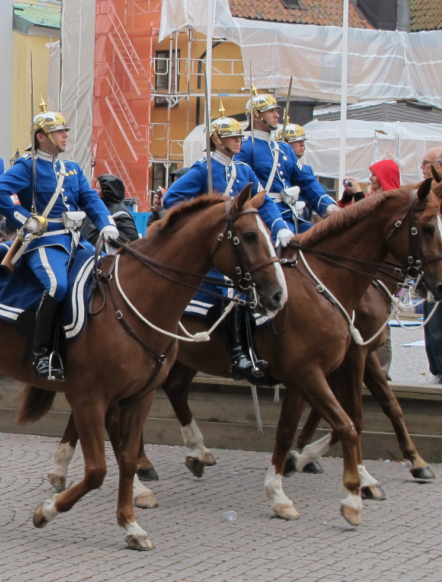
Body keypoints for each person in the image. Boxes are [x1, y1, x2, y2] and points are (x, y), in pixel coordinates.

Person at [0, 101, 117, 381]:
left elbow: (90, 199)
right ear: (41, 136)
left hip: (77, 241)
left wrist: (106, 223)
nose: (65, 135)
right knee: (57, 286)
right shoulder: (27, 166)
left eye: (65, 131)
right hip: (44, 241)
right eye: (58, 132)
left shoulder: (71, 168)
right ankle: (41, 353)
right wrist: (25, 219)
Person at [163, 103, 289, 384]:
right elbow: (172, 200)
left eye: (240, 137)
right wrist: (205, 218)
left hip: (237, 241)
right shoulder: (202, 170)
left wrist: (279, 226)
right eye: (233, 138)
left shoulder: (243, 171)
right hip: (212, 244)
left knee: (251, 284)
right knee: (230, 289)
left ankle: (250, 350)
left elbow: (262, 201)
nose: (238, 141)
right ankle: (236, 353)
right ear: (217, 141)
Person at [236, 90, 338, 233]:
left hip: (291, 214)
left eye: (276, 110)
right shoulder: (244, 148)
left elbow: (306, 181)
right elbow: (241, 190)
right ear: (255, 116)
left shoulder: (284, 149)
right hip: (263, 218)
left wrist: (327, 206)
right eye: (270, 111)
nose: (277, 115)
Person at [422, 147, 442, 378]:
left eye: (425, 163)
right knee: (432, 324)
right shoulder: (428, 193)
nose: (422, 168)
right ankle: (438, 369)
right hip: (433, 266)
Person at [82, 174, 139, 246]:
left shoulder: (120, 212)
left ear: (108, 190)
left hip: (106, 256)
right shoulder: (95, 208)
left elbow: (133, 240)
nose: (94, 191)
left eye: (97, 188)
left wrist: (111, 234)